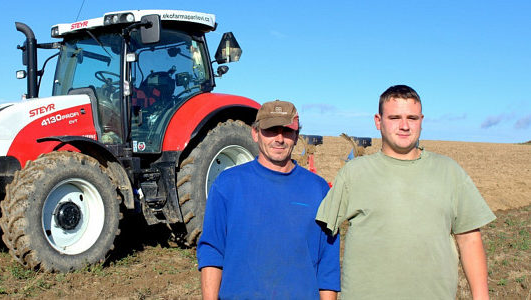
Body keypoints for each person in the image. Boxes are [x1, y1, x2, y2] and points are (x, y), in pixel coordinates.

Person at [316, 85, 496, 299]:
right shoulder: (354, 173)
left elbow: (469, 240)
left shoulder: (449, 171)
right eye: (394, 117)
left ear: (421, 120)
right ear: (378, 121)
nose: (404, 126)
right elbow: (324, 239)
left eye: (412, 118)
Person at [197, 100, 340, 299]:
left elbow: (328, 264)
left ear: (297, 136)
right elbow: (212, 250)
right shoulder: (228, 184)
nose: (279, 138)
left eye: (287, 131)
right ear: (255, 133)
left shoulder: (319, 190)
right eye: (271, 130)